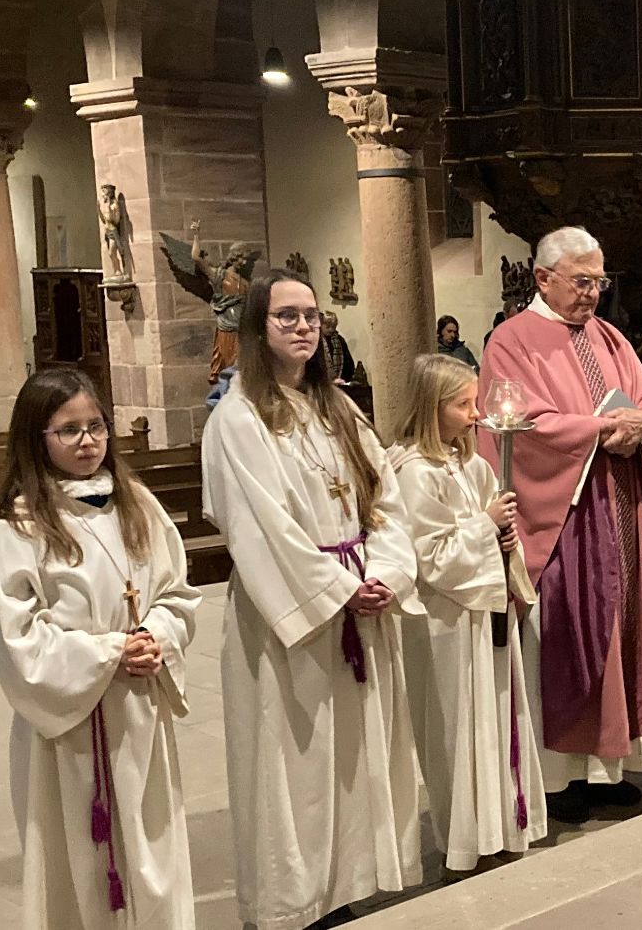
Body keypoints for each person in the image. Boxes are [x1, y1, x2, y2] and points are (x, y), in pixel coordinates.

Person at [202, 271, 424, 930]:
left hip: (360, 595)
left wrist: (388, 571)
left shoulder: (339, 408)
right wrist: (341, 590)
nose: (304, 327)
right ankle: (289, 903)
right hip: (291, 620)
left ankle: (343, 886)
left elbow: (385, 497)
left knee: (352, 757)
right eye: (287, 317)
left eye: (312, 316)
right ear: (257, 329)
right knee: (291, 760)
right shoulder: (238, 419)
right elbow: (257, 527)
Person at [0, 367, 202, 930]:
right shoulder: (21, 525)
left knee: (152, 841)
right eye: (69, 430)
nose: (88, 441)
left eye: (96, 426)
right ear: (37, 439)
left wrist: (158, 635)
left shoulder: (139, 506)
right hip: (72, 721)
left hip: (140, 705)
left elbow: (176, 591)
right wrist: (109, 653)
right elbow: (13, 637)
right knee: (82, 849)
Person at [476, 226, 642, 825]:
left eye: (598, 281)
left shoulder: (609, 336)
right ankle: (563, 776)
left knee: (626, 630)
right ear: (543, 279)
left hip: (624, 506)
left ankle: (608, 766)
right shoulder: (511, 342)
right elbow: (519, 423)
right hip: (565, 519)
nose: (592, 293)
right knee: (570, 634)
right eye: (581, 281)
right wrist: (603, 431)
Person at [388, 353, 548, 873]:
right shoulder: (413, 473)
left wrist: (504, 537)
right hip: (447, 621)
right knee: (455, 725)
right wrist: (486, 525)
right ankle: (464, 842)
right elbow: (429, 557)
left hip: (485, 611)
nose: (476, 413)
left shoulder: (474, 465)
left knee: (496, 719)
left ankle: (501, 824)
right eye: (462, 404)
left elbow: (496, 538)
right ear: (431, 408)